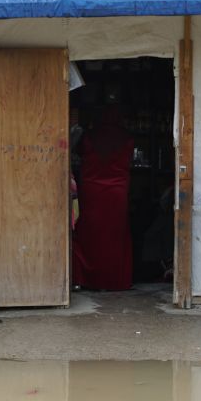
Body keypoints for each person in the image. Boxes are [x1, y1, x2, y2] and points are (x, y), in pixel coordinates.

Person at [72, 105, 135, 290]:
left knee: (91, 235)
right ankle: (114, 279)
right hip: (117, 192)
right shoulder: (127, 137)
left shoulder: (89, 136)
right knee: (115, 235)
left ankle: (89, 279)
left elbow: (81, 154)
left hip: (92, 193)